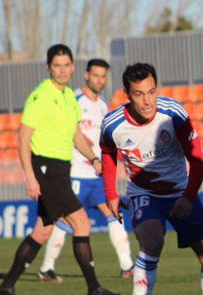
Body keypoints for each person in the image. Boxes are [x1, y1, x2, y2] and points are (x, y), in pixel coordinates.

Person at [101, 63, 203, 295]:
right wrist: (110, 193)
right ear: (127, 94)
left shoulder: (173, 114)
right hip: (143, 194)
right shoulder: (112, 123)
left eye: (151, 92)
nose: (147, 101)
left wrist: (187, 197)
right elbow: (107, 153)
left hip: (180, 191)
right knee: (151, 240)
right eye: (139, 94)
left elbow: (197, 162)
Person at [0, 44, 120, 295]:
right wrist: (30, 177)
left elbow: (76, 135)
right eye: (57, 65)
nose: (62, 70)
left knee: (42, 231)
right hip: (45, 169)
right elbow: (23, 140)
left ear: (72, 67)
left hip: (61, 170)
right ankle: (93, 287)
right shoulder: (40, 96)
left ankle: (5, 287)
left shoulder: (67, 97)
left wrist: (94, 158)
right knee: (81, 221)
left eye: (66, 65)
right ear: (48, 67)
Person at [38, 58, 134, 282]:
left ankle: (127, 265)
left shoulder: (102, 104)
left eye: (103, 76)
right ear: (86, 75)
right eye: (96, 75)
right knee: (64, 219)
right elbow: (66, 132)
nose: (100, 80)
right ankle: (46, 268)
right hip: (75, 174)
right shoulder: (72, 98)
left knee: (113, 213)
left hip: (96, 176)